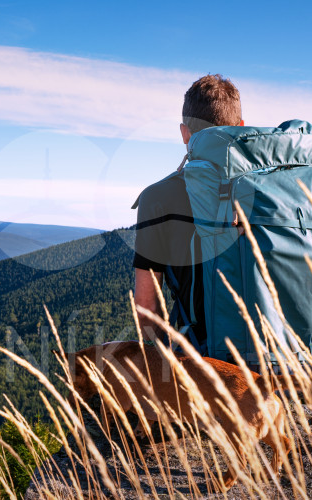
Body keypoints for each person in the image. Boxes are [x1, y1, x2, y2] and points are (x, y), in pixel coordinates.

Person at [132, 74, 243, 352]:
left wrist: (171, 351)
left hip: (207, 363)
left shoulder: (158, 198)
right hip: (296, 361)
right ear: (241, 127)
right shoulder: (273, 187)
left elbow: (146, 308)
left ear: (184, 133)